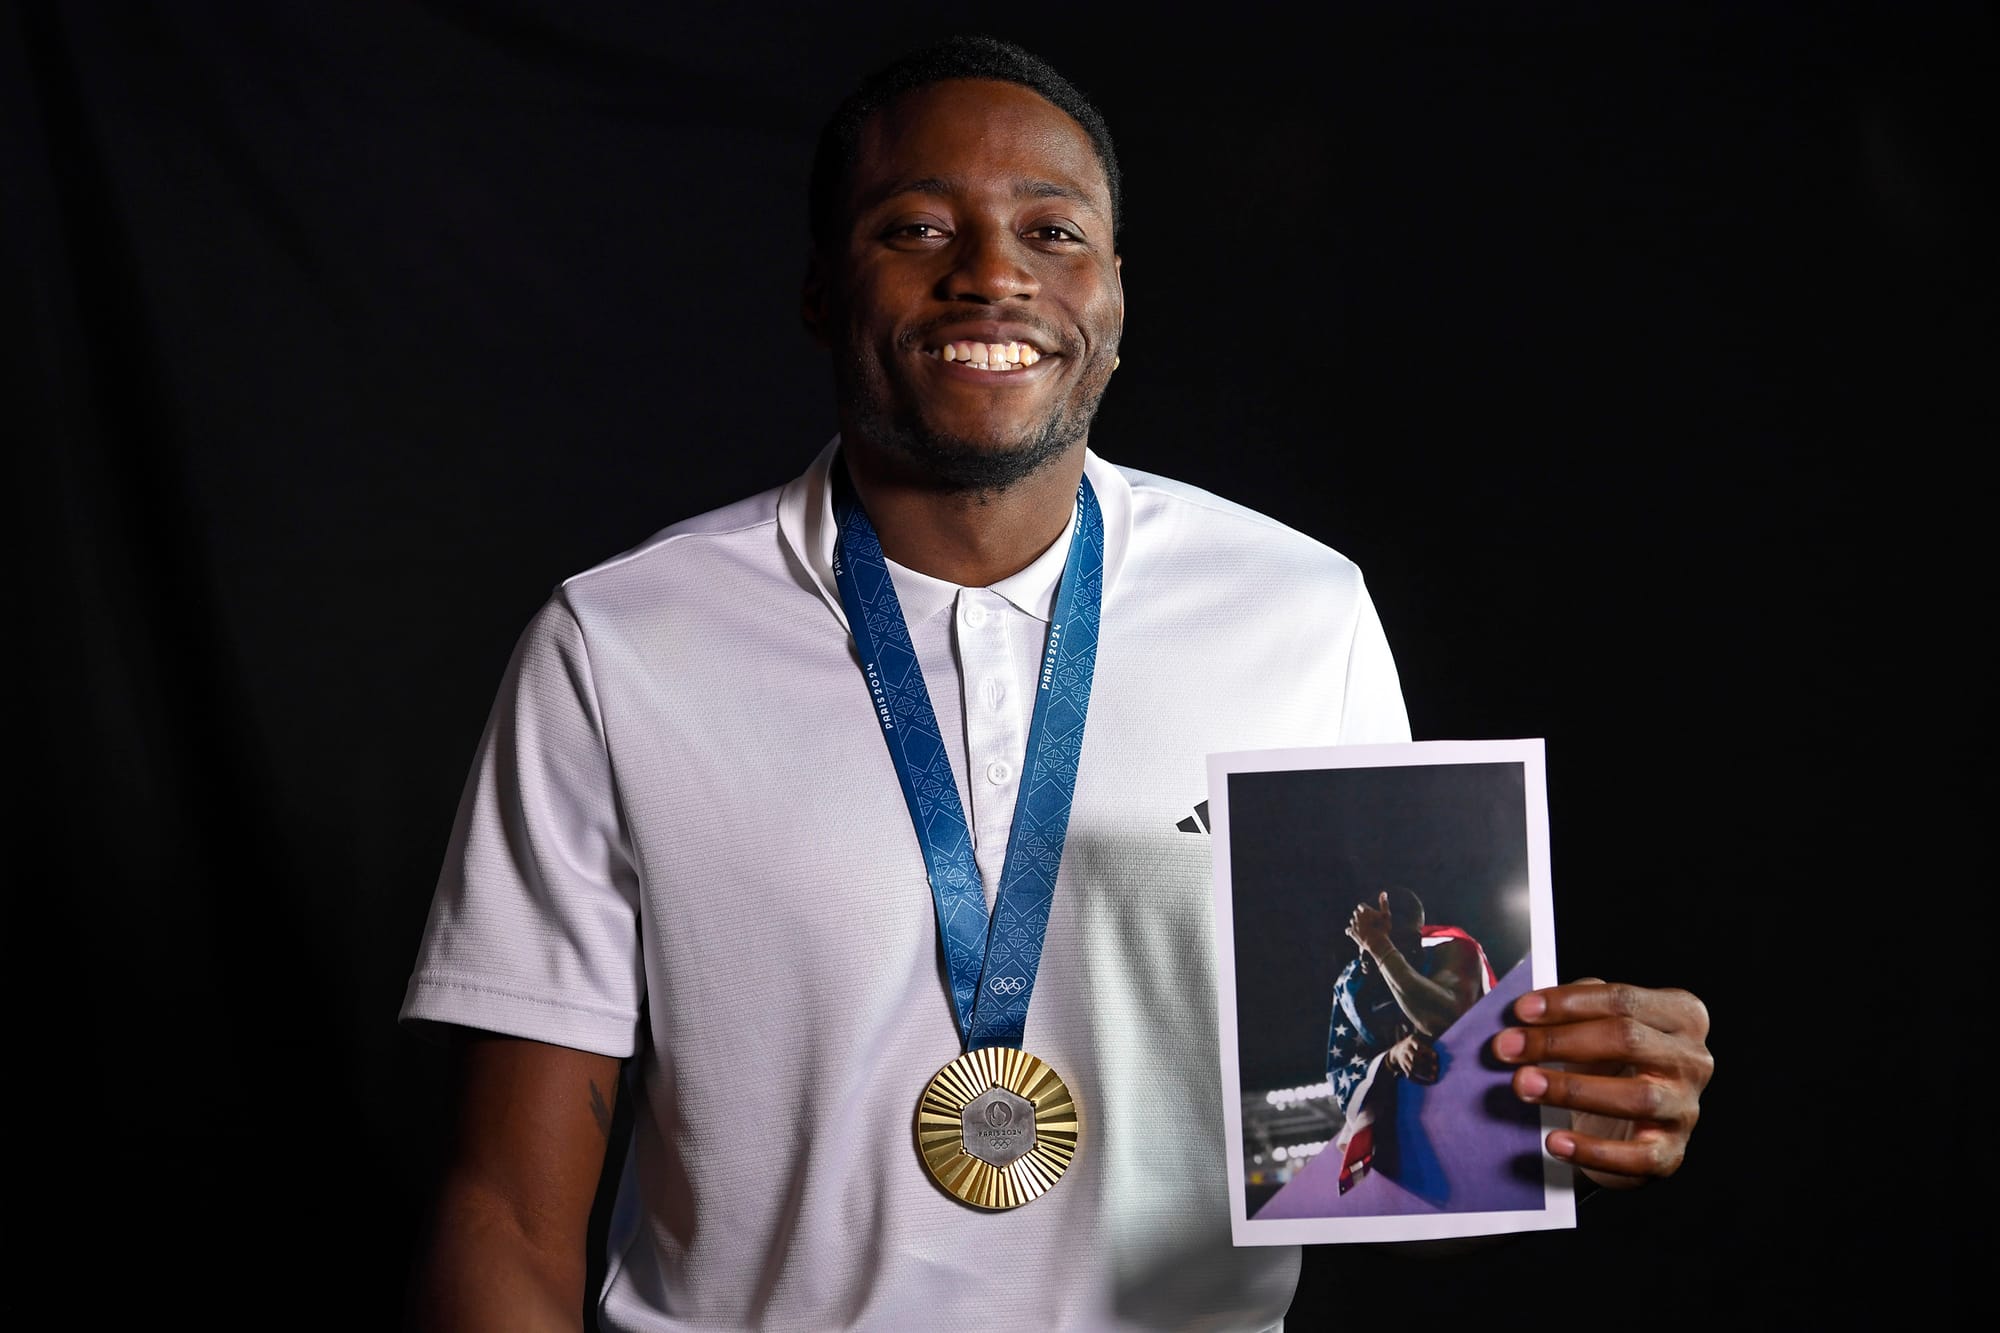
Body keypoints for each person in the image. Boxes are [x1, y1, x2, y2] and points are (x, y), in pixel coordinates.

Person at [400, 33, 1714, 1332]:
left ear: (1118, 297)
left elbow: (1379, 1171)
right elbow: (506, 1213)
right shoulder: (620, 642)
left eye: (1052, 231)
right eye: (917, 228)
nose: (991, 276)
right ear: (818, 286)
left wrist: (1552, 1103)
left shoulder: (1298, 612)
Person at [1324, 888, 1495, 1194]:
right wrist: (1392, 1058)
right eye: (1366, 943)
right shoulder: (1349, 984)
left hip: (1484, 1108)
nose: (1371, 960)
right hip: (1419, 1154)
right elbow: (1341, 1069)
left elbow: (1446, 1019)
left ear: (1415, 930)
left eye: (1396, 939)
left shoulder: (1454, 949)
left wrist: (1380, 946)